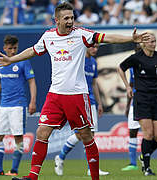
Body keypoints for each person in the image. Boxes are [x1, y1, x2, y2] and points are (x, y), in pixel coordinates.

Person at [0, 2, 149, 180]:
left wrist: (130, 38)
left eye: (72, 17)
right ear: (56, 20)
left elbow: (106, 37)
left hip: (76, 95)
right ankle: (32, 176)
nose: (70, 21)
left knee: (85, 136)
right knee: (41, 132)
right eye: (66, 18)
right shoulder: (48, 36)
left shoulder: (81, 34)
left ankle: (95, 177)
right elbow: (32, 50)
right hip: (55, 95)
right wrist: (12, 60)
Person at [118, 32, 157, 176]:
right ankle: (146, 167)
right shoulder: (136, 58)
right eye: (150, 42)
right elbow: (120, 68)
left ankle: (144, 155)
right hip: (142, 99)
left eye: (155, 41)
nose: (153, 44)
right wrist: (128, 87)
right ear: (143, 43)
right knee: (148, 134)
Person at [0, 35, 37, 176]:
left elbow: (31, 82)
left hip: (18, 105)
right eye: (10, 48)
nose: (13, 51)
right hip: (3, 105)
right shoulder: (1, 64)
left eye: (15, 48)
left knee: (18, 137)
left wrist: (33, 101)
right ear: (4, 48)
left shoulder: (23, 62)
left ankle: (14, 170)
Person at [54, 44, 109, 177]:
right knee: (83, 134)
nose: (95, 49)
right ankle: (61, 157)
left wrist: (100, 103)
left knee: (89, 135)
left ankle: (88, 167)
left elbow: (94, 83)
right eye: (93, 47)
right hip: (80, 100)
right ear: (86, 47)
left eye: (97, 47)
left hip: (92, 103)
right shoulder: (78, 60)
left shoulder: (94, 62)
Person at [121, 67, 157, 171]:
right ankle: (133, 163)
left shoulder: (154, 64)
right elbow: (131, 85)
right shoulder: (132, 67)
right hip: (136, 103)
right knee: (133, 132)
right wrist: (127, 106)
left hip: (153, 103)